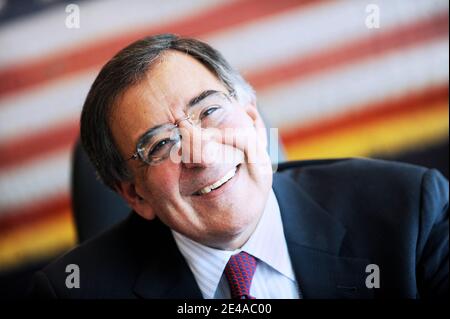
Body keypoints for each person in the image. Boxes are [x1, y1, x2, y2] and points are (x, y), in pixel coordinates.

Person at [30, 34, 448, 299]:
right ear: (135, 195)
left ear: (251, 119)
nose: (201, 153)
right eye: (160, 143)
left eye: (210, 111)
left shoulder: (411, 212)